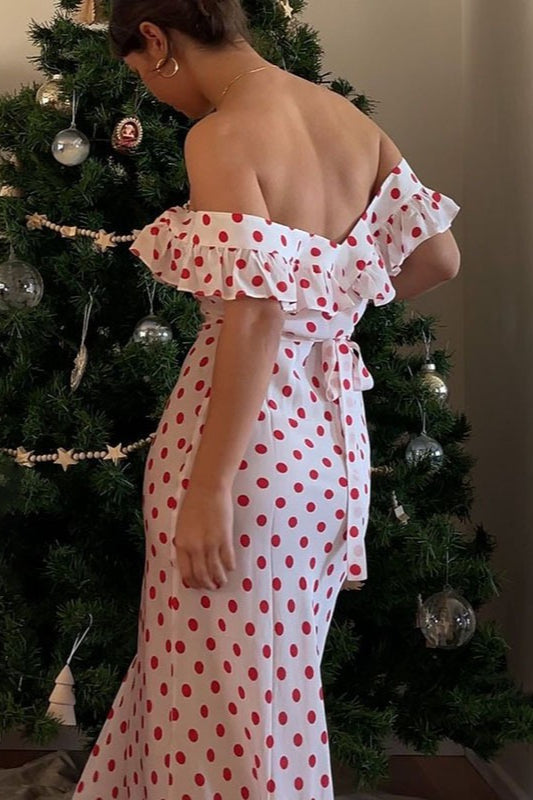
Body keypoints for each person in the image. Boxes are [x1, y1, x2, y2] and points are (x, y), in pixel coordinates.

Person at [74, 1, 462, 798]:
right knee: (269, 695)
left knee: (214, 702)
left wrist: (208, 487)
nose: (155, 92)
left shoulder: (222, 134)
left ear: (157, 40)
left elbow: (252, 315)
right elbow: (439, 258)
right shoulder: (350, 123)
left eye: (143, 73)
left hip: (242, 454)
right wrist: (330, 315)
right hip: (327, 449)